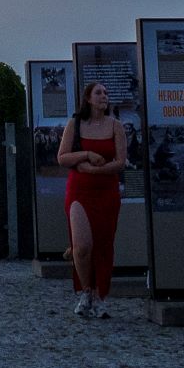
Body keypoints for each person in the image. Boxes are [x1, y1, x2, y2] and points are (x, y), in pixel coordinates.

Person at [57, 79, 128, 318]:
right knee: (82, 246)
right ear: (88, 98)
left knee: (103, 245)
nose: (103, 96)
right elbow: (62, 157)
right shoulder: (75, 124)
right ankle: (85, 290)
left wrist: (97, 170)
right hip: (80, 190)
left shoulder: (115, 126)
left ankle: (99, 295)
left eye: (106, 92)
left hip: (106, 190)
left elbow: (120, 161)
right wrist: (86, 154)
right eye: (98, 93)